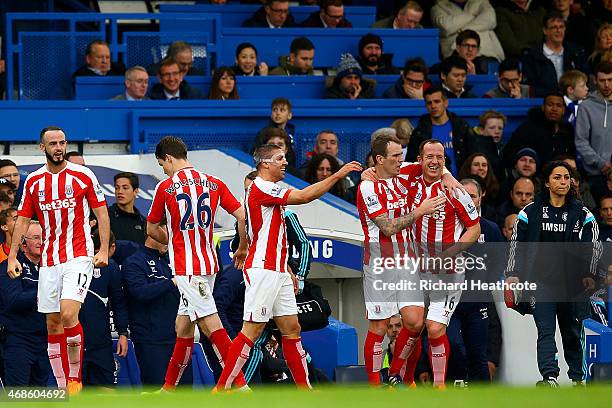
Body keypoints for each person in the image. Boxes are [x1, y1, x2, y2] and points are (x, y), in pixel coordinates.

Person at [214, 144, 361, 390]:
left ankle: (305, 389)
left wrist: (244, 246)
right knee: (251, 331)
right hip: (263, 269)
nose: (285, 163)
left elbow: (246, 221)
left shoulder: (262, 189)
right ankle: (221, 389)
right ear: (264, 164)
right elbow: (304, 197)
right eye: (279, 158)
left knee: (291, 329)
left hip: (279, 270)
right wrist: (338, 175)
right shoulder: (261, 187)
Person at [7, 126, 110, 395]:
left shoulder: (83, 175)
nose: (58, 148)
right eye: (52, 143)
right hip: (49, 259)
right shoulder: (34, 181)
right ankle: (65, 388)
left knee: (67, 314)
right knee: (52, 322)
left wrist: (103, 251)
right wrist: (12, 256)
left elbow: (102, 214)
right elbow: (22, 220)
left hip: (78, 255)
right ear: (42, 147)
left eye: (62, 143)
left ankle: (74, 378)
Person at [147, 136, 250, 391]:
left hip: (186, 267)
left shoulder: (166, 187)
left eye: (162, 165)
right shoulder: (214, 182)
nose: (164, 169)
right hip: (209, 263)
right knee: (183, 327)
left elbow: (151, 228)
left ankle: (240, 386)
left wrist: (170, 240)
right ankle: (168, 390)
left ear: (168, 158)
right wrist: (243, 246)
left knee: (211, 324)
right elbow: (242, 216)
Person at [387, 139, 481, 388]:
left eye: (440, 157)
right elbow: (388, 165)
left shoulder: (456, 191)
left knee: (435, 328)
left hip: (447, 271)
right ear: (419, 160)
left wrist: (451, 252)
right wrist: (369, 172)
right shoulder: (408, 176)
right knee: (412, 322)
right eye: (429, 156)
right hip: (415, 267)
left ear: (444, 161)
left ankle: (439, 387)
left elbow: (474, 228)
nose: (435, 161)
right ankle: (394, 376)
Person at [358, 134, 448, 386]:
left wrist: (448, 176)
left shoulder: (404, 172)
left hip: (408, 261)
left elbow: (435, 164)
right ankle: (376, 385)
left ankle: (400, 377)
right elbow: (387, 227)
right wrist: (420, 211)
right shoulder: (367, 187)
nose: (401, 160)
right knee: (379, 326)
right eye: (396, 156)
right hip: (380, 264)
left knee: (415, 322)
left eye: (402, 154)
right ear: (379, 159)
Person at [506, 161, 600, 387]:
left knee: (571, 332)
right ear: (547, 182)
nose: (563, 182)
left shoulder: (582, 214)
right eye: (557, 177)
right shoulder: (530, 212)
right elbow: (517, 244)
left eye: (566, 178)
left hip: (572, 285)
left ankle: (578, 379)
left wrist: (589, 274)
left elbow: (594, 247)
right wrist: (513, 273)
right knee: (545, 331)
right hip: (541, 283)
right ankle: (550, 377)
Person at [120, 225, 192, 386]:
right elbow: (140, 292)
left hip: (179, 339)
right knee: (156, 392)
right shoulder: (134, 262)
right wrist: (172, 282)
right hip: (151, 340)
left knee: (186, 393)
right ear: (154, 231)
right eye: (168, 231)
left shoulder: (174, 260)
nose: (171, 237)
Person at [0, 221, 50, 386]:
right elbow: (13, 300)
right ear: (23, 243)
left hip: (44, 342)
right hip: (18, 341)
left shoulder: (51, 267)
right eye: (36, 238)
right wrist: (44, 293)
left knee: (40, 399)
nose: (40, 242)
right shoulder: (10, 265)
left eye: (43, 237)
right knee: (18, 398)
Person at [79, 231, 129, 387]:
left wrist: (122, 332)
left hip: (91, 344)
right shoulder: (70, 263)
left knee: (98, 396)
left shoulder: (110, 266)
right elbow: (119, 303)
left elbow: (118, 302)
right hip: (83, 344)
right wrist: (122, 333)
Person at [406, 86, 483, 176]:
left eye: (437, 101)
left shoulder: (462, 127)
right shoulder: (419, 132)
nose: (433, 106)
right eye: (429, 103)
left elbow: (473, 155)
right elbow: (411, 162)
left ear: (445, 103)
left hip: (461, 181)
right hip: (432, 184)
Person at [522, 11, 588, 97]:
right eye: (554, 27)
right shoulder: (532, 56)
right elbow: (531, 87)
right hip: (543, 102)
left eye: (561, 27)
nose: (558, 30)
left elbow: (585, 79)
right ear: (545, 30)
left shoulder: (576, 53)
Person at [502, 91, 575, 168]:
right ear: (543, 108)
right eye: (550, 105)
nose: (554, 109)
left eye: (558, 105)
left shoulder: (568, 130)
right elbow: (509, 153)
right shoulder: (528, 128)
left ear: (563, 110)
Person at [575, 61, 612, 201]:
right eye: (602, 80)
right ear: (595, 80)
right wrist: (601, 163)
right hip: (596, 174)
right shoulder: (586, 106)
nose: (607, 85)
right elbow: (581, 141)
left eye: (610, 80)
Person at [431, 0, 504, 63]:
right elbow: (446, 27)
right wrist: (473, 16)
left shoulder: (482, 2)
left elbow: (491, 20)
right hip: (455, 54)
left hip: (486, 54)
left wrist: (462, 30)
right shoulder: (438, 7)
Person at [109, 172, 147, 245]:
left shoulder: (143, 222)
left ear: (135, 192)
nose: (120, 192)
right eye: (117, 188)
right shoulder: (106, 216)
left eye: (125, 188)